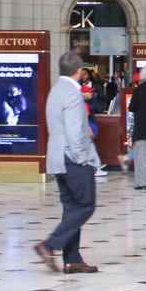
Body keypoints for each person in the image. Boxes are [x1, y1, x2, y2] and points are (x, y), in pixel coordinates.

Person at [36, 51, 101, 274]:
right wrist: (82, 157)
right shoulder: (73, 93)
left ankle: (72, 259)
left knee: (72, 208)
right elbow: (74, 131)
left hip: (56, 156)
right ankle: (49, 245)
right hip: (72, 157)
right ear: (79, 70)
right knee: (86, 205)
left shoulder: (55, 90)